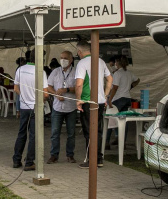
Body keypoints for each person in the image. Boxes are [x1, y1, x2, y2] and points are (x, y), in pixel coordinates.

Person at [74, 41, 113, 169]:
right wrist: (106, 95)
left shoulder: (82, 63)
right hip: (100, 101)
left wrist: (78, 100)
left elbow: (79, 84)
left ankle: (92, 160)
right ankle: (99, 158)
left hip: (87, 101)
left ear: (79, 52)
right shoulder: (101, 61)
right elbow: (110, 79)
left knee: (89, 132)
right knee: (98, 130)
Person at [12, 50, 46, 171]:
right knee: (33, 135)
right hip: (35, 107)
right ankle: (29, 162)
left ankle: (16, 159)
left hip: (23, 106)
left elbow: (15, 88)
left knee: (22, 133)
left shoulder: (20, 69)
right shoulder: (41, 72)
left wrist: (23, 96)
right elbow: (45, 93)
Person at [46, 50, 77, 163]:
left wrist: (67, 89)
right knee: (55, 132)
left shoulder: (76, 71)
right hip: (57, 107)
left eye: (65, 58)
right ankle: (54, 155)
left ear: (71, 59)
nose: (63, 60)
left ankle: (70, 154)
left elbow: (79, 88)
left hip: (71, 107)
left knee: (71, 133)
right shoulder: (55, 72)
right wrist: (56, 94)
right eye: (61, 58)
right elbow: (48, 86)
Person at [106, 55, 140, 148]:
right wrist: (130, 87)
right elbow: (138, 80)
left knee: (111, 119)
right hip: (127, 98)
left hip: (117, 99)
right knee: (124, 121)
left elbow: (115, 87)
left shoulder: (118, 73)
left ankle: (106, 142)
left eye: (116, 62)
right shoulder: (129, 73)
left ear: (118, 63)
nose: (115, 64)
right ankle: (123, 142)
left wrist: (109, 99)